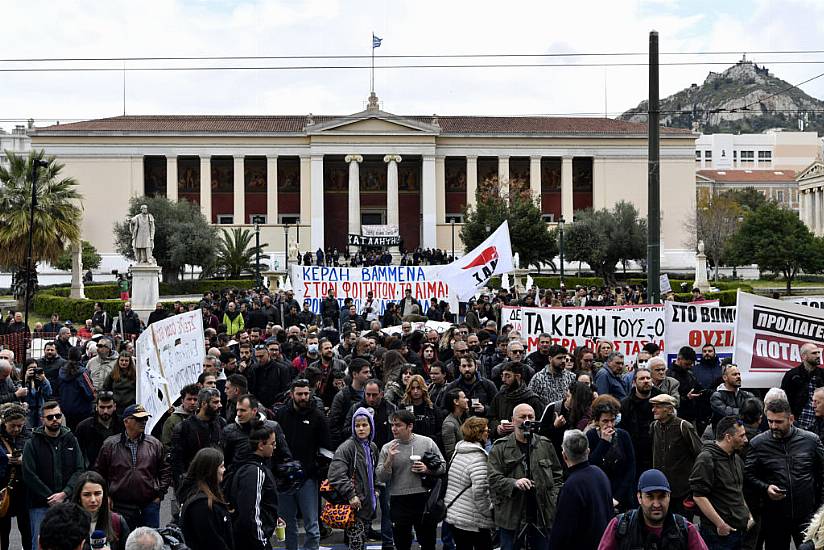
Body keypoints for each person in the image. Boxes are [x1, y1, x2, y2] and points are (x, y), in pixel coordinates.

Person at [745, 398, 824, 549]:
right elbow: (748, 475)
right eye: (770, 421)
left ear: (791, 419)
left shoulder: (811, 441)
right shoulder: (758, 443)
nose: (774, 426)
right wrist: (765, 487)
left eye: (779, 422)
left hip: (807, 515)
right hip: (775, 517)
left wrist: (821, 507)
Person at [488, 403, 563, 550]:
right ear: (513, 420)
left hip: (541, 515)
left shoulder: (545, 444)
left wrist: (553, 498)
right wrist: (514, 483)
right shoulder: (500, 447)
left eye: (531, 417)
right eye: (522, 417)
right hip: (511, 515)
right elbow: (492, 478)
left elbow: (557, 476)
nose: (527, 420)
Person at [272, 379, 330, 550]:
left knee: (313, 527)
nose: (304, 397)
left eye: (306, 393)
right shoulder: (281, 415)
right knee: (288, 525)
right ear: (292, 394)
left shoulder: (318, 416)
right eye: (300, 394)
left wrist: (317, 471)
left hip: (308, 479)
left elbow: (326, 449)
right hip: (284, 480)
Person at [376, 409, 445, 550]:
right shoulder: (387, 448)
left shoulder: (427, 443)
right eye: (392, 425)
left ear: (410, 426)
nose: (394, 428)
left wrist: (427, 469)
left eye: (398, 425)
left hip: (423, 497)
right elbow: (381, 477)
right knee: (402, 544)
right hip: (398, 499)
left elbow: (443, 466)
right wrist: (389, 460)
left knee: (428, 542)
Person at [95, 404, 170, 529]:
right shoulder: (110, 445)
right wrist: (106, 496)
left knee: (150, 543)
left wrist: (159, 494)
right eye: (139, 419)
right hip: (119, 505)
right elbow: (100, 473)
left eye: (145, 419)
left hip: (149, 504)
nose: (143, 422)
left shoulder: (154, 444)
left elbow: (165, 470)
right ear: (126, 421)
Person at [22, 401, 84, 550]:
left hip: (67, 503)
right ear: (42, 419)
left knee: (69, 543)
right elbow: (29, 474)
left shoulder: (71, 439)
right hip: (39, 505)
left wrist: (64, 493)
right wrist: (50, 497)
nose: (55, 419)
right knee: (40, 544)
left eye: (58, 415)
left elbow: (80, 469)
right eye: (50, 417)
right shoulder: (31, 443)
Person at [597, 469, 708, 550]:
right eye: (650, 496)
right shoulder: (619, 527)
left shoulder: (685, 530)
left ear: (669, 497)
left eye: (662, 496)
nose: (656, 504)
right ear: (639, 498)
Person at [689, 415, 752, 550]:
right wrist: (720, 524)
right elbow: (699, 496)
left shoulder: (735, 458)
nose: (745, 440)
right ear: (728, 437)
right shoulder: (706, 459)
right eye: (741, 436)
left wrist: (748, 514)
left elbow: (737, 490)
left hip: (739, 531)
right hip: (719, 536)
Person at [548, 429, 613, 550]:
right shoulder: (599, 474)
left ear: (564, 456)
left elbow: (561, 533)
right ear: (588, 451)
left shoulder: (571, 486)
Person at [328, 407, 379, 550]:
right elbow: (335, 473)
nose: (361, 429)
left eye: (364, 425)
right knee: (356, 545)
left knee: (361, 543)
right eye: (357, 425)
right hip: (354, 507)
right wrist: (351, 494)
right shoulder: (347, 447)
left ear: (371, 426)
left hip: (368, 505)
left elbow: (375, 471)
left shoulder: (372, 447)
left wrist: (377, 488)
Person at [224, 424, 279, 550]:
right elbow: (250, 512)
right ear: (261, 445)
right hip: (253, 542)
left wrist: (272, 515)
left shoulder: (247, 467)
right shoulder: (255, 472)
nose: (275, 447)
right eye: (272, 443)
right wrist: (262, 542)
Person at [650, 393, 703, 517]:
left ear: (669, 409)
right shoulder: (655, 426)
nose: (653, 410)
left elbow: (700, 454)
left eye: (657, 406)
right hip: (662, 488)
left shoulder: (684, 426)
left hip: (682, 490)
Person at [445, 416, 494, 550]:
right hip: (473, 520)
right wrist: (490, 513)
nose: (488, 432)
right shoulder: (478, 458)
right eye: (485, 430)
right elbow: (480, 492)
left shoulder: (459, 451)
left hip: (456, 515)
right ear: (477, 434)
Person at [178, 447, 234, 550]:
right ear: (211, 470)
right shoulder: (201, 505)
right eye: (221, 466)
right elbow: (211, 542)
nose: (224, 470)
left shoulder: (202, 497)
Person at [587, 394, 636, 512]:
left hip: (623, 496)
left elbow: (631, 467)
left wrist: (618, 497)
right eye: (605, 421)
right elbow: (590, 465)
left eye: (612, 420)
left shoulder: (623, 435)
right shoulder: (591, 436)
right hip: (599, 494)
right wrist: (603, 443)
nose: (609, 425)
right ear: (597, 421)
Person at [170, 388, 226, 482]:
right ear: (204, 404)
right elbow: (177, 462)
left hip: (217, 480)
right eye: (215, 402)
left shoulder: (221, 423)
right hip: (194, 482)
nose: (220, 405)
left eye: (219, 402)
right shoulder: (184, 428)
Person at [71, 471, 131, 550]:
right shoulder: (69, 523)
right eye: (87, 494)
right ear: (79, 497)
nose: (93, 499)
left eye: (97, 493)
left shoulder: (117, 521)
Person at [488, 362, 546, 440]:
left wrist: (519, 426)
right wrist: (497, 428)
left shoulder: (532, 399)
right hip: (502, 442)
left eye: (508, 376)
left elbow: (540, 424)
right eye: (502, 376)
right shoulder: (500, 396)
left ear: (518, 377)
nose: (503, 380)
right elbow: (491, 417)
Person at [0, 404, 31, 550]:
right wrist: (4, 458)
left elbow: (37, 459)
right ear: (4, 422)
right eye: (13, 426)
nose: (16, 429)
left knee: (26, 529)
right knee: (3, 531)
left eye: (20, 425)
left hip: (23, 489)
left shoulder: (29, 435)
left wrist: (23, 460)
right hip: (3, 488)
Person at [620, 367, 661, 476]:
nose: (646, 381)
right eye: (642, 378)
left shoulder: (661, 402)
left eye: (648, 378)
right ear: (634, 382)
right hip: (634, 454)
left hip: (657, 453)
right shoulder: (625, 405)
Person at [75, 391, 124, 469]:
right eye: (102, 407)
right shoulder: (84, 427)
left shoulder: (123, 424)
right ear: (96, 407)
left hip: (118, 470)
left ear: (114, 407)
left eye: (109, 407)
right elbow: (78, 454)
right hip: (94, 472)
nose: (105, 411)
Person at [781, 342, 824, 430]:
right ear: (804, 356)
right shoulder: (791, 375)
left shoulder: (822, 374)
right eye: (814, 353)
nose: (818, 355)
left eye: (818, 352)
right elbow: (783, 401)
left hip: (819, 425)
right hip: (796, 424)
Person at [56, 350, 93, 431]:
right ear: (80, 358)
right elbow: (90, 393)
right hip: (82, 410)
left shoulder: (62, 371)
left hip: (66, 409)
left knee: (71, 432)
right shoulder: (83, 373)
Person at [710, 364, 754, 429]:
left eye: (739, 374)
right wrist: (746, 413)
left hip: (745, 433)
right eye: (734, 374)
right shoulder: (717, 396)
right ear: (725, 378)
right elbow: (727, 414)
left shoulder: (747, 395)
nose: (738, 376)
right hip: (725, 434)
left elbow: (755, 412)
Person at [441, 389, 468, 458]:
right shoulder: (449, 425)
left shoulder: (460, 418)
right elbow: (450, 453)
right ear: (456, 402)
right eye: (464, 398)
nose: (467, 400)